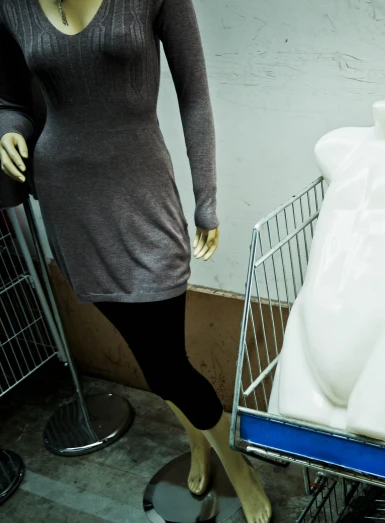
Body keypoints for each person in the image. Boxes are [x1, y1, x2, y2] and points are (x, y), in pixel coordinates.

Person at [0, 0, 270, 521]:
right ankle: (198, 443)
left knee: (167, 363)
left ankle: (236, 465)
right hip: (70, 204)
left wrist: (206, 199)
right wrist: (6, 128)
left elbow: (194, 97)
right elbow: (10, 96)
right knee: (153, 359)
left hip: (143, 196)